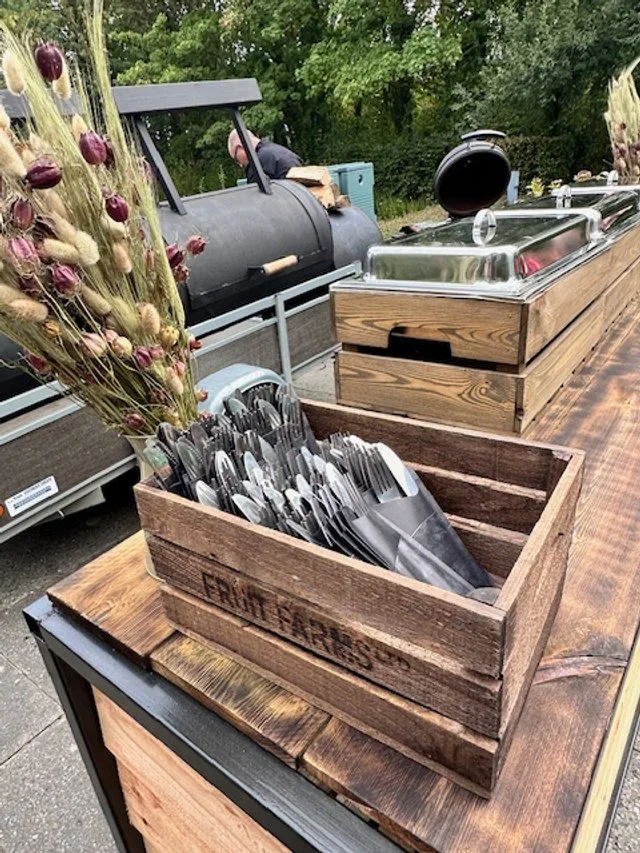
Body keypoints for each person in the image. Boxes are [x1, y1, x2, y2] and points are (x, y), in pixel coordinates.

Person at [227, 128, 301, 183]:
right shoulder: (284, 152)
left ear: (240, 147)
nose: (240, 165)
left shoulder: (257, 163)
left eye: (236, 159)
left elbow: (256, 199)